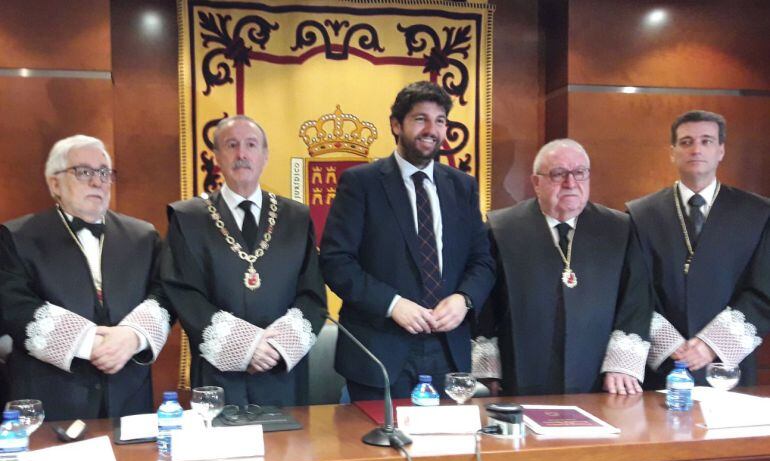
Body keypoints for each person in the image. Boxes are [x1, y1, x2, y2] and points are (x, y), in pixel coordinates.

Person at [320, 81, 495, 400]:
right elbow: (336, 263)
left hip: (448, 350)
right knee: (379, 448)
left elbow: (482, 261)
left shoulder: (462, 187)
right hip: (379, 349)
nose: (432, 129)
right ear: (396, 125)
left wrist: (464, 300)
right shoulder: (361, 184)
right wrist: (393, 304)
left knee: (446, 449)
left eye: (440, 120)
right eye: (420, 119)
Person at [0, 135, 172, 421]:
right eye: (84, 172)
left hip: (129, 397)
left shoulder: (143, 236)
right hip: (50, 400)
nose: (97, 181)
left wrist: (133, 336)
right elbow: (13, 305)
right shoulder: (16, 237)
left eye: (104, 172)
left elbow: (164, 293)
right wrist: (86, 342)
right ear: (55, 183)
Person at [162, 115, 326, 407]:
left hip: (282, 372)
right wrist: (245, 347)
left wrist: (275, 348)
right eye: (231, 145)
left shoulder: (296, 218)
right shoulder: (189, 218)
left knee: (288, 451)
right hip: (219, 375)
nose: (241, 154)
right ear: (217, 158)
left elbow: (312, 295)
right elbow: (185, 295)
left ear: (265, 156)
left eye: (251, 145)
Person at [474, 139, 652, 395]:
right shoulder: (501, 229)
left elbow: (637, 300)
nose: (571, 183)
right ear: (536, 182)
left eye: (580, 173)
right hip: (520, 376)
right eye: (559, 174)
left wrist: (622, 365)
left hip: (598, 377)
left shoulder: (619, 228)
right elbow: (485, 307)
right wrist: (487, 370)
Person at [628, 110, 770, 387]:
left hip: (728, 367)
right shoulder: (640, 214)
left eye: (706, 141)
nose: (696, 149)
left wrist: (709, 345)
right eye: (686, 142)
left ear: (721, 150)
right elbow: (634, 291)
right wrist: (672, 345)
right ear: (672, 152)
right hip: (665, 366)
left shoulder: (758, 213)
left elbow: (764, 291)